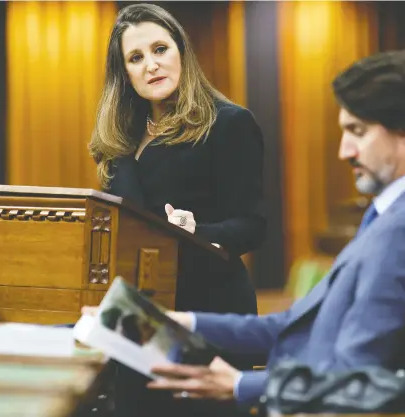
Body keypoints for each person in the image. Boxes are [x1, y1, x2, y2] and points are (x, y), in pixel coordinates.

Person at [144, 50, 405, 412]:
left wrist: (240, 385)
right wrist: (183, 322)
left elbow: (361, 379)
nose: (345, 151)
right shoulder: (398, 214)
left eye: (357, 131)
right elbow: (295, 327)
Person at [87, 3, 266, 416]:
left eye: (160, 49)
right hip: (139, 313)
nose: (151, 64)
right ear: (124, 74)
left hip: (208, 310)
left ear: (180, 52)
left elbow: (254, 226)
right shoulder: (119, 143)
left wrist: (196, 229)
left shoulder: (228, 124)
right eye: (136, 57)